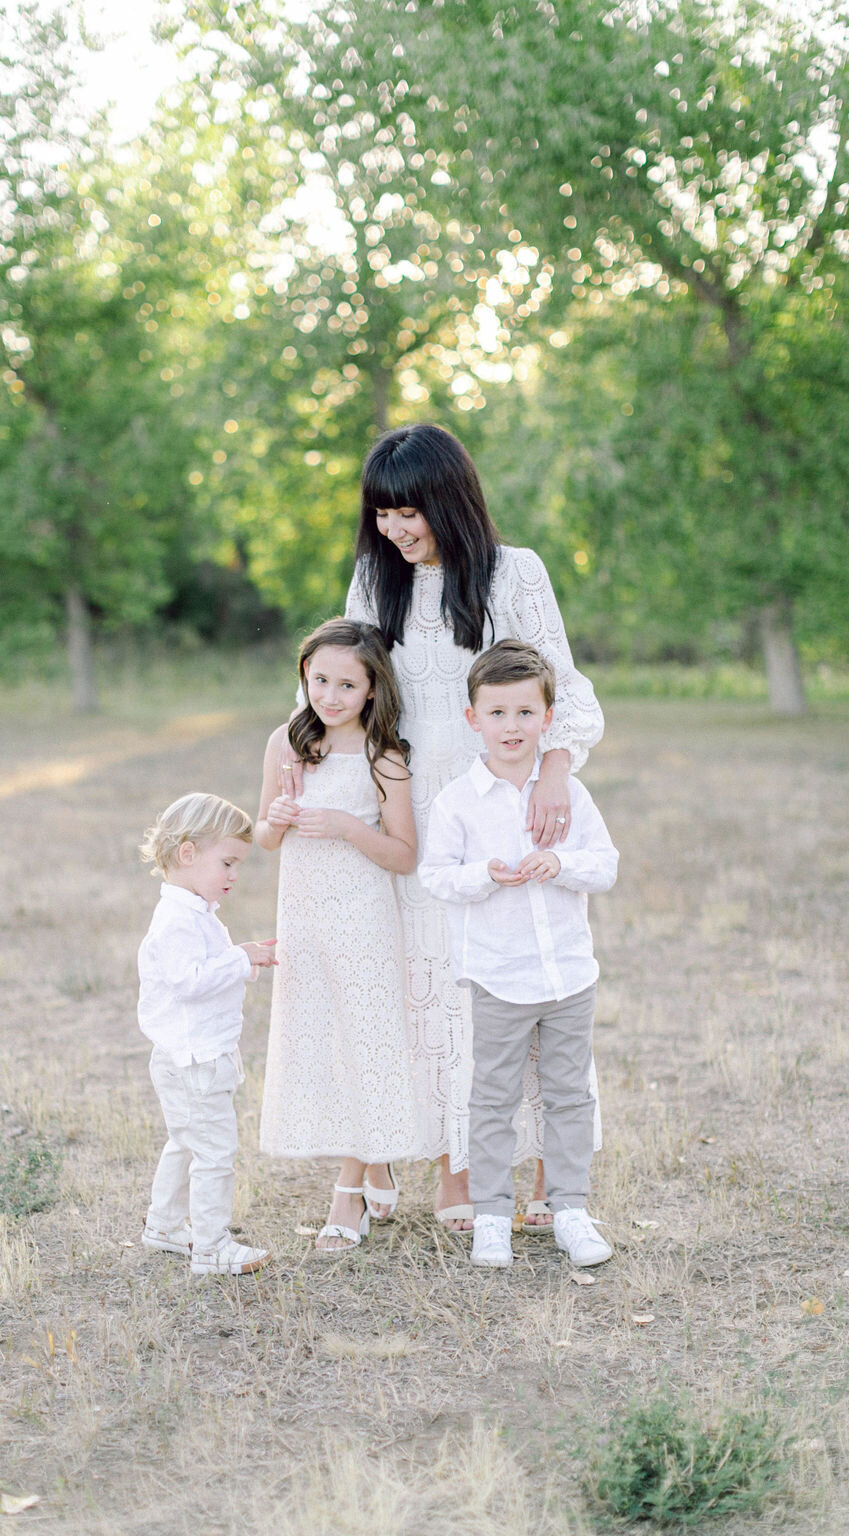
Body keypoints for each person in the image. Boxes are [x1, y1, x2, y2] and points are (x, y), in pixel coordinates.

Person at [288, 423, 604, 1231]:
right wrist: (298, 753)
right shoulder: (373, 578)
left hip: (494, 801)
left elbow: (560, 683)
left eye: (409, 511)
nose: (395, 529)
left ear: (448, 498)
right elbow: (343, 679)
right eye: (382, 513)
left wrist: (558, 769)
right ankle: (443, 1164)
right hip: (403, 807)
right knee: (421, 991)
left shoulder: (514, 573)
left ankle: (519, 1168)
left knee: (508, 986)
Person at [419, 640, 618, 1269]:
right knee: (494, 1096)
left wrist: (557, 862)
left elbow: (605, 866)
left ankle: (571, 1211)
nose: (512, 727)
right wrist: (485, 874)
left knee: (568, 1095)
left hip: (566, 972)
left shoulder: (569, 796)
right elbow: (436, 876)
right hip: (497, 975)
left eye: (525, 713)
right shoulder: (458, 801)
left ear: (547, 718)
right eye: (498, 714)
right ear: (474, 718)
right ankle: (493, 1218)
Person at [256, 618, 419, 1252]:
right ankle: (373, 1158)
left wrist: (347, 825)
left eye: (346, 684)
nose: (329, 695)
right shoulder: (287, 742)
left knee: (364, 1044)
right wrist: (275, 819)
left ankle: (346, 1194)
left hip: (365, 921)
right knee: (322, 1044)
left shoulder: (385, 757)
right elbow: (266, 839)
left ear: (373, 689)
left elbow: (404, 854)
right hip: (303, 917)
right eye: (319, 679)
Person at [137, 792, 277, 1277]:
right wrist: (242, 958)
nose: (234, 874)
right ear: (188, 854)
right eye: (228, 862)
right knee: (214, 1152)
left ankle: (164, 1224)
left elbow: (203, 970)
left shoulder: (194, 912)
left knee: (185, 1141)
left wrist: (243, 953)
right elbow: (188, 981)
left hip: (186, 1055)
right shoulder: (178, 920)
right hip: (194, 1058)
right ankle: (212, 1246)